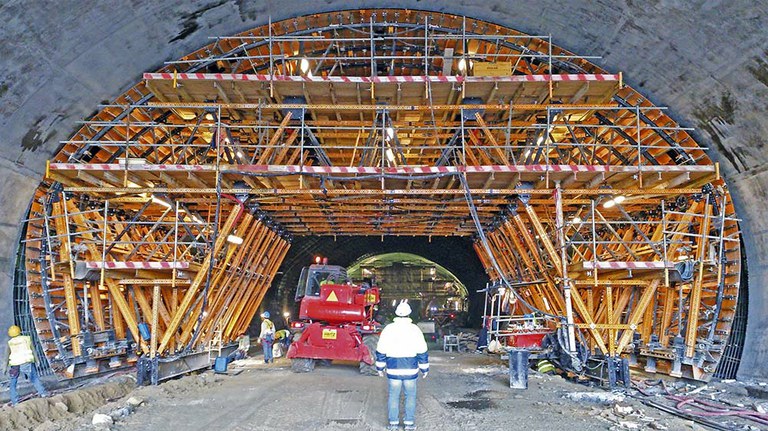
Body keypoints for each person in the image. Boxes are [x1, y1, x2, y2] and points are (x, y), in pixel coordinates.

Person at [375, 301, 429, 431]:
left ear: (396, 314)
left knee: (394, 396)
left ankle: (393, 424)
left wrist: (380, 367)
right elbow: (422, 350)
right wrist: (424, 368)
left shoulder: (389, 329)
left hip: (393, 368)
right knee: (410, 396)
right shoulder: (415, 329)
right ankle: (409, 424)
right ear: (409, 313)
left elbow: (381, 349)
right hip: (410, 369)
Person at [2, 325, 48, 405]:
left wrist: (4, 367)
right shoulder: (27, 339)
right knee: (34, 378)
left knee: (13, 383)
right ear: (19, 331)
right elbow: (33, 350)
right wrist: (37, 360)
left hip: (15, 364)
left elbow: (6, 357)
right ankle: (43, 393)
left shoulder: (10, 343)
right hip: (27, 362)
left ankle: (15, 401)